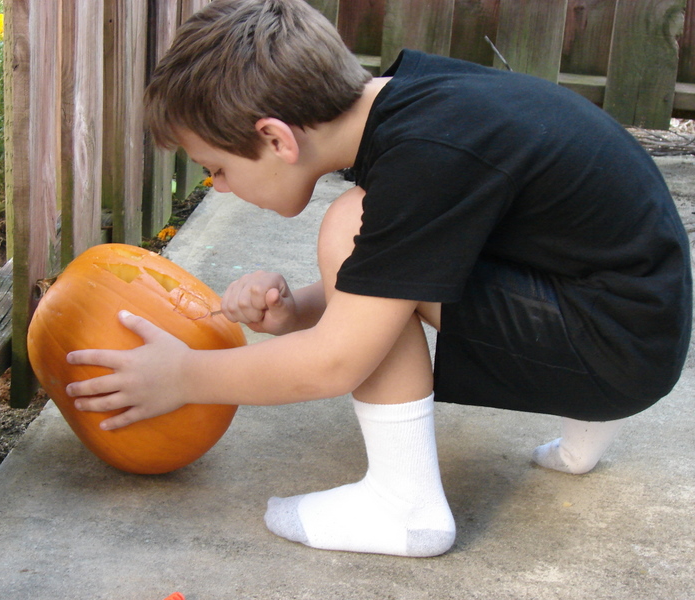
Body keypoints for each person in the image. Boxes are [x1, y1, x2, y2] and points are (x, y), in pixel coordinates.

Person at [65, 0, 692, 558]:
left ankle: (405, 505)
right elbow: (423, 261)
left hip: (615, 351)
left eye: (217, 168)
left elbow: (335, 364)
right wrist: (299, 311)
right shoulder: (419, 102)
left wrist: (183, 376)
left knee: (350, 222)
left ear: (275, 138)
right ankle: (585, 426)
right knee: (367, 235)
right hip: (631, 320)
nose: (218, 186)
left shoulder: (424, 158)